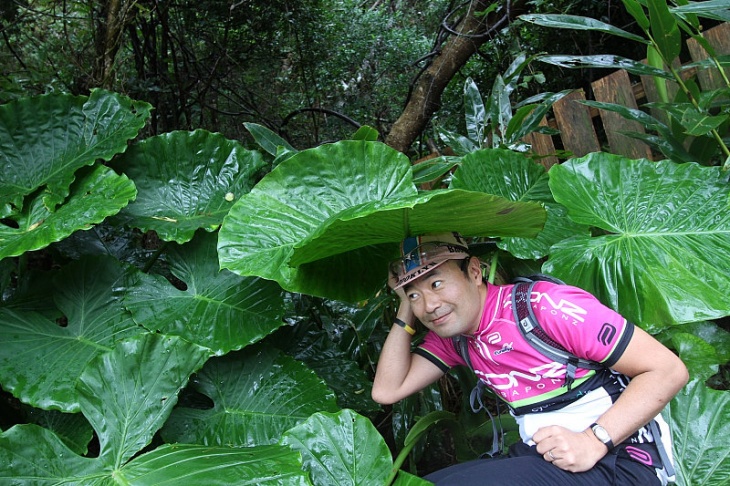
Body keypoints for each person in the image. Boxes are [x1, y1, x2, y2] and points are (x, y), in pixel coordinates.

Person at [371, 232, 688, 486]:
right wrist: (405, 306)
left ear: (474, 271)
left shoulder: (545, 308)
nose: (429, 304)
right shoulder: (455, 339)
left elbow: (668, 370)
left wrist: (594, 440)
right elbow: (387, 390)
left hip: (622, 460)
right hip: (544, 457)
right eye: (415, 294)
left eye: (436, 283)